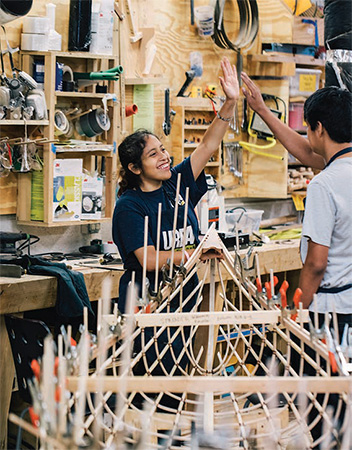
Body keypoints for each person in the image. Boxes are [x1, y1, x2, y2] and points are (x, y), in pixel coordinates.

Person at [241, 74, 352, 447]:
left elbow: (316, 264)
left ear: (319, 128)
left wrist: (297, 312)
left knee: (321, 406)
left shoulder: (324, 184)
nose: (308, 136)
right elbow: (307, 153)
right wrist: (261, 110)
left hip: (330, 312)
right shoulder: (340, 169)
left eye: (309, 128)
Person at [112, 57, 239, 377]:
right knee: (153, 379)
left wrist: (231, 102)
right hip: (149, 302)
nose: (165, 157)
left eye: (163, 149)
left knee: (180, 372)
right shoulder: (129, 206)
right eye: (153, 154)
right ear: (135, 168)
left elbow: (209, 143)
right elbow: (149, 259)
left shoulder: (177, 184)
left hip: (184, 295)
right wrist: (196, 252)